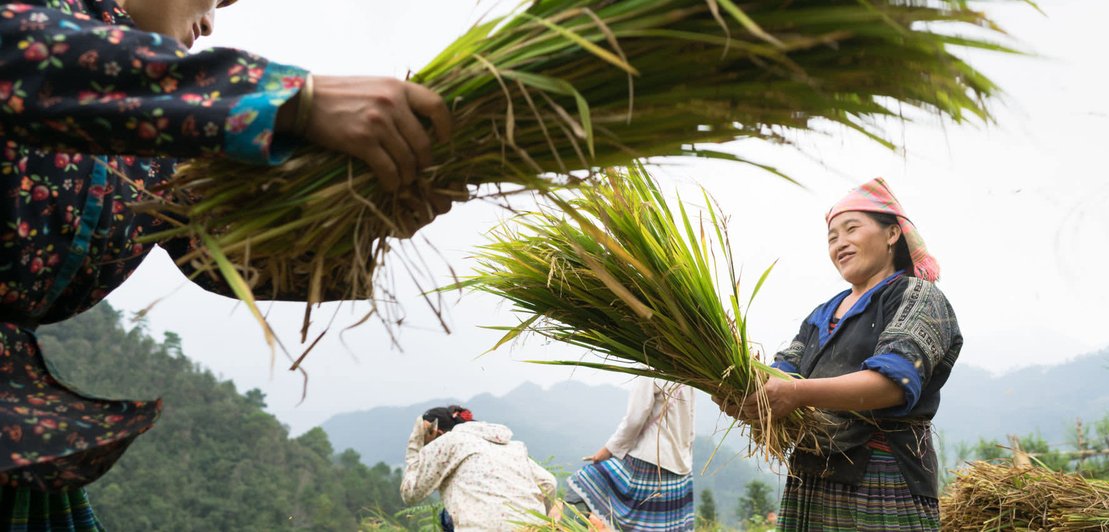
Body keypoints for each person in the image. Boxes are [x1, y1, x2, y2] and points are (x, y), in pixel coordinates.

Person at [0, 0, 458, 528]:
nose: (211, 21)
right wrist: (289, 100)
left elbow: (231, 251)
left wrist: (369, 211)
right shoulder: (42, 24)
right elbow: (30, 53)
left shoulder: (165, 139)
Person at [718, 178, 962, 531]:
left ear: (892, 234)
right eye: (832, 237)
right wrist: (739, 391)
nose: (840, 243)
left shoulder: (916, 296)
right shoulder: (822, 313)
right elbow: (781, 375)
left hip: (882, 475)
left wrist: (795, 394)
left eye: (851, 229)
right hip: (812, 477)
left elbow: (892, 383)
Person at [566, 377, 696, 531]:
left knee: (583, 481)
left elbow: (634, 420)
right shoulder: (686, 367)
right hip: (680, 469)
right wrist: (685, 460)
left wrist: (608, 450)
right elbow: (691, 420)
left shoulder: (650, 366)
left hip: (648, 464)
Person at [400, 405, 557, 531]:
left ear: (437, 433)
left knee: (446, 518)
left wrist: (415, 446)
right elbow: (549, 483)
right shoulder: (512, 447)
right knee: (447, 515)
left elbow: (410, 493)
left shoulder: (448, 442)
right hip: (530, 527)